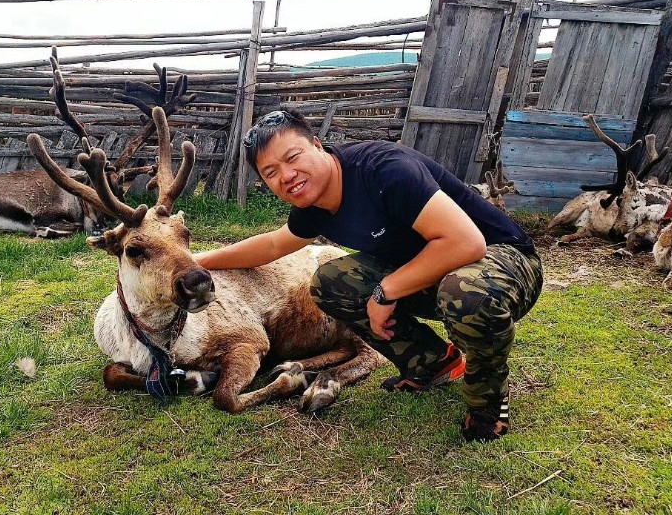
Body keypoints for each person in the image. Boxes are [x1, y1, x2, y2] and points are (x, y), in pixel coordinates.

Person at [195, 109, 542, 442]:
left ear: (317, 145)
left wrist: (385, 292)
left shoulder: (383, 170)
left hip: (505, 260)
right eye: (270, 172)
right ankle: (431, 364)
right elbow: (273, 245)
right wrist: (196, 261)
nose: (286, 175)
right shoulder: (313, 203)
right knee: (331, 282)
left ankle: (487, 404)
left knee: (465, 292)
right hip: (433, 267)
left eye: (292, 157)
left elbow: (466, 242)